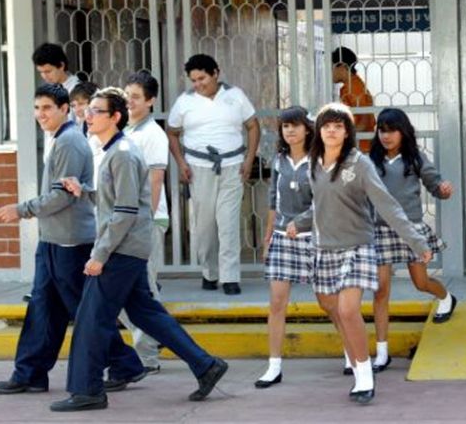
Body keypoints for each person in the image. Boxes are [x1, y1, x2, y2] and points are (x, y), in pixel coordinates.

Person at [52, 87, 228, 412]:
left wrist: (99, 255)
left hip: (121, 250)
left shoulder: (122, 153)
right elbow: (116, 200)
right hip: (125, 247)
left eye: (95, 111)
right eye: (87, 110)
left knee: (91, 318)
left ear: (115, 117)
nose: (86, 116)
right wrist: (85, 192)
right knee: (146, 313)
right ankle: (206, 365)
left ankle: (87, 390)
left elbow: (125, 212)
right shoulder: (114, 151)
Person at [0, 84, 145, 396]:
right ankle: (31, 372)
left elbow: (61, 197)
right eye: (37, 108)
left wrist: (22, 210)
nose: (40, 115)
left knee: (86, 312)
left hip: (72, 243)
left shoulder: (70, 142)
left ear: (64, 109)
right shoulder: (59, 139)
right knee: (43, 309)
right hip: (53, 240)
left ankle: (124, 363)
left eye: (47, 108)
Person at [290, 103, 431, 405]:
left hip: (358, 246)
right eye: (327, 125)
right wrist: (298, 222)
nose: (331, 130)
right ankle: (354, 355)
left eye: (339, 126)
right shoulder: (313, 162)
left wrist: (417, 242)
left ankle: (364, 377)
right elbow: (320, 204)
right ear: (320, 130)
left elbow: (387, 205)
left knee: (348, 309)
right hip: (323, 248)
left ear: (348, 132)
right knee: (330, 307)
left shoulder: (360, 163)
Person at [368, 108, 456, 372]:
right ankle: (381, 352)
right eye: (382, 130)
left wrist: (443, 189)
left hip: (410, 231)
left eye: (392, 130)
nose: (386, 136)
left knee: (421, 282)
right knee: (380, 290)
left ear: (403, 132)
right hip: (380, 231)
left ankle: (446, 297)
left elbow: (435, 184)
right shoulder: (369, 160)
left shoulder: (415, 158)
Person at [167, 54, 260, 295]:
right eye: (194, 80)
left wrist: (249, 159)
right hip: (199, 168)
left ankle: (230, 277)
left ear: (216, 73)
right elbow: (172, 133)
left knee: (228, 223)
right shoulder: (184, 102)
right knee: (205, 225)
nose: (198, 84)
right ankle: (210, 272)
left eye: (202, 78)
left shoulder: (235, 96)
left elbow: (252, 126)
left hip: (233, 166)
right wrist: (181, 163)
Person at [254, 107, 315, 389]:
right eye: (285, 127)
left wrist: (302, 223)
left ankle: (352, 358)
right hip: (281, 237)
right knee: (277, 303)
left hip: (313, 238)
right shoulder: (279, 161)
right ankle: (274, 365)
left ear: (307, 129)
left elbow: (324, 202)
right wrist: (268, 239)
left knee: (331, 303)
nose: (289, 131)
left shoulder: (319, 161)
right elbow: (272, 201)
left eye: (294, 126)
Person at [116, 70, 170, 375]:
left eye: (136, 97)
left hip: (146, 221)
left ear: (150, 101)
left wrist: (142, 222)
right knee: (129, 290)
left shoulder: (153, 134)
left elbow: (155, 181)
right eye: (126, 96)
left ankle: (148, 355)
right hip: (126, 221)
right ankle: (155, 338)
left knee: (144, 289)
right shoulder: (123, 129)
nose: (129, 101)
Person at [21, 43, 84, 303]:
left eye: (48, 71)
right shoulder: (49, 94)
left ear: (62, 66)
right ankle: (43, 290)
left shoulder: (78, 94)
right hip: (55, 163)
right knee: (49, 233)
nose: (45, 76)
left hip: (71, 166)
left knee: (65, 237)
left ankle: (51, 292)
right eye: (41, 72)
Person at [331, 47, 376, 153]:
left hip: (362, 147)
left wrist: (343, 134)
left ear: (341, 66)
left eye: (331, 67)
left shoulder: (353, 88)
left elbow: (364, 121)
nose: (330, 71)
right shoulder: (350, 85)